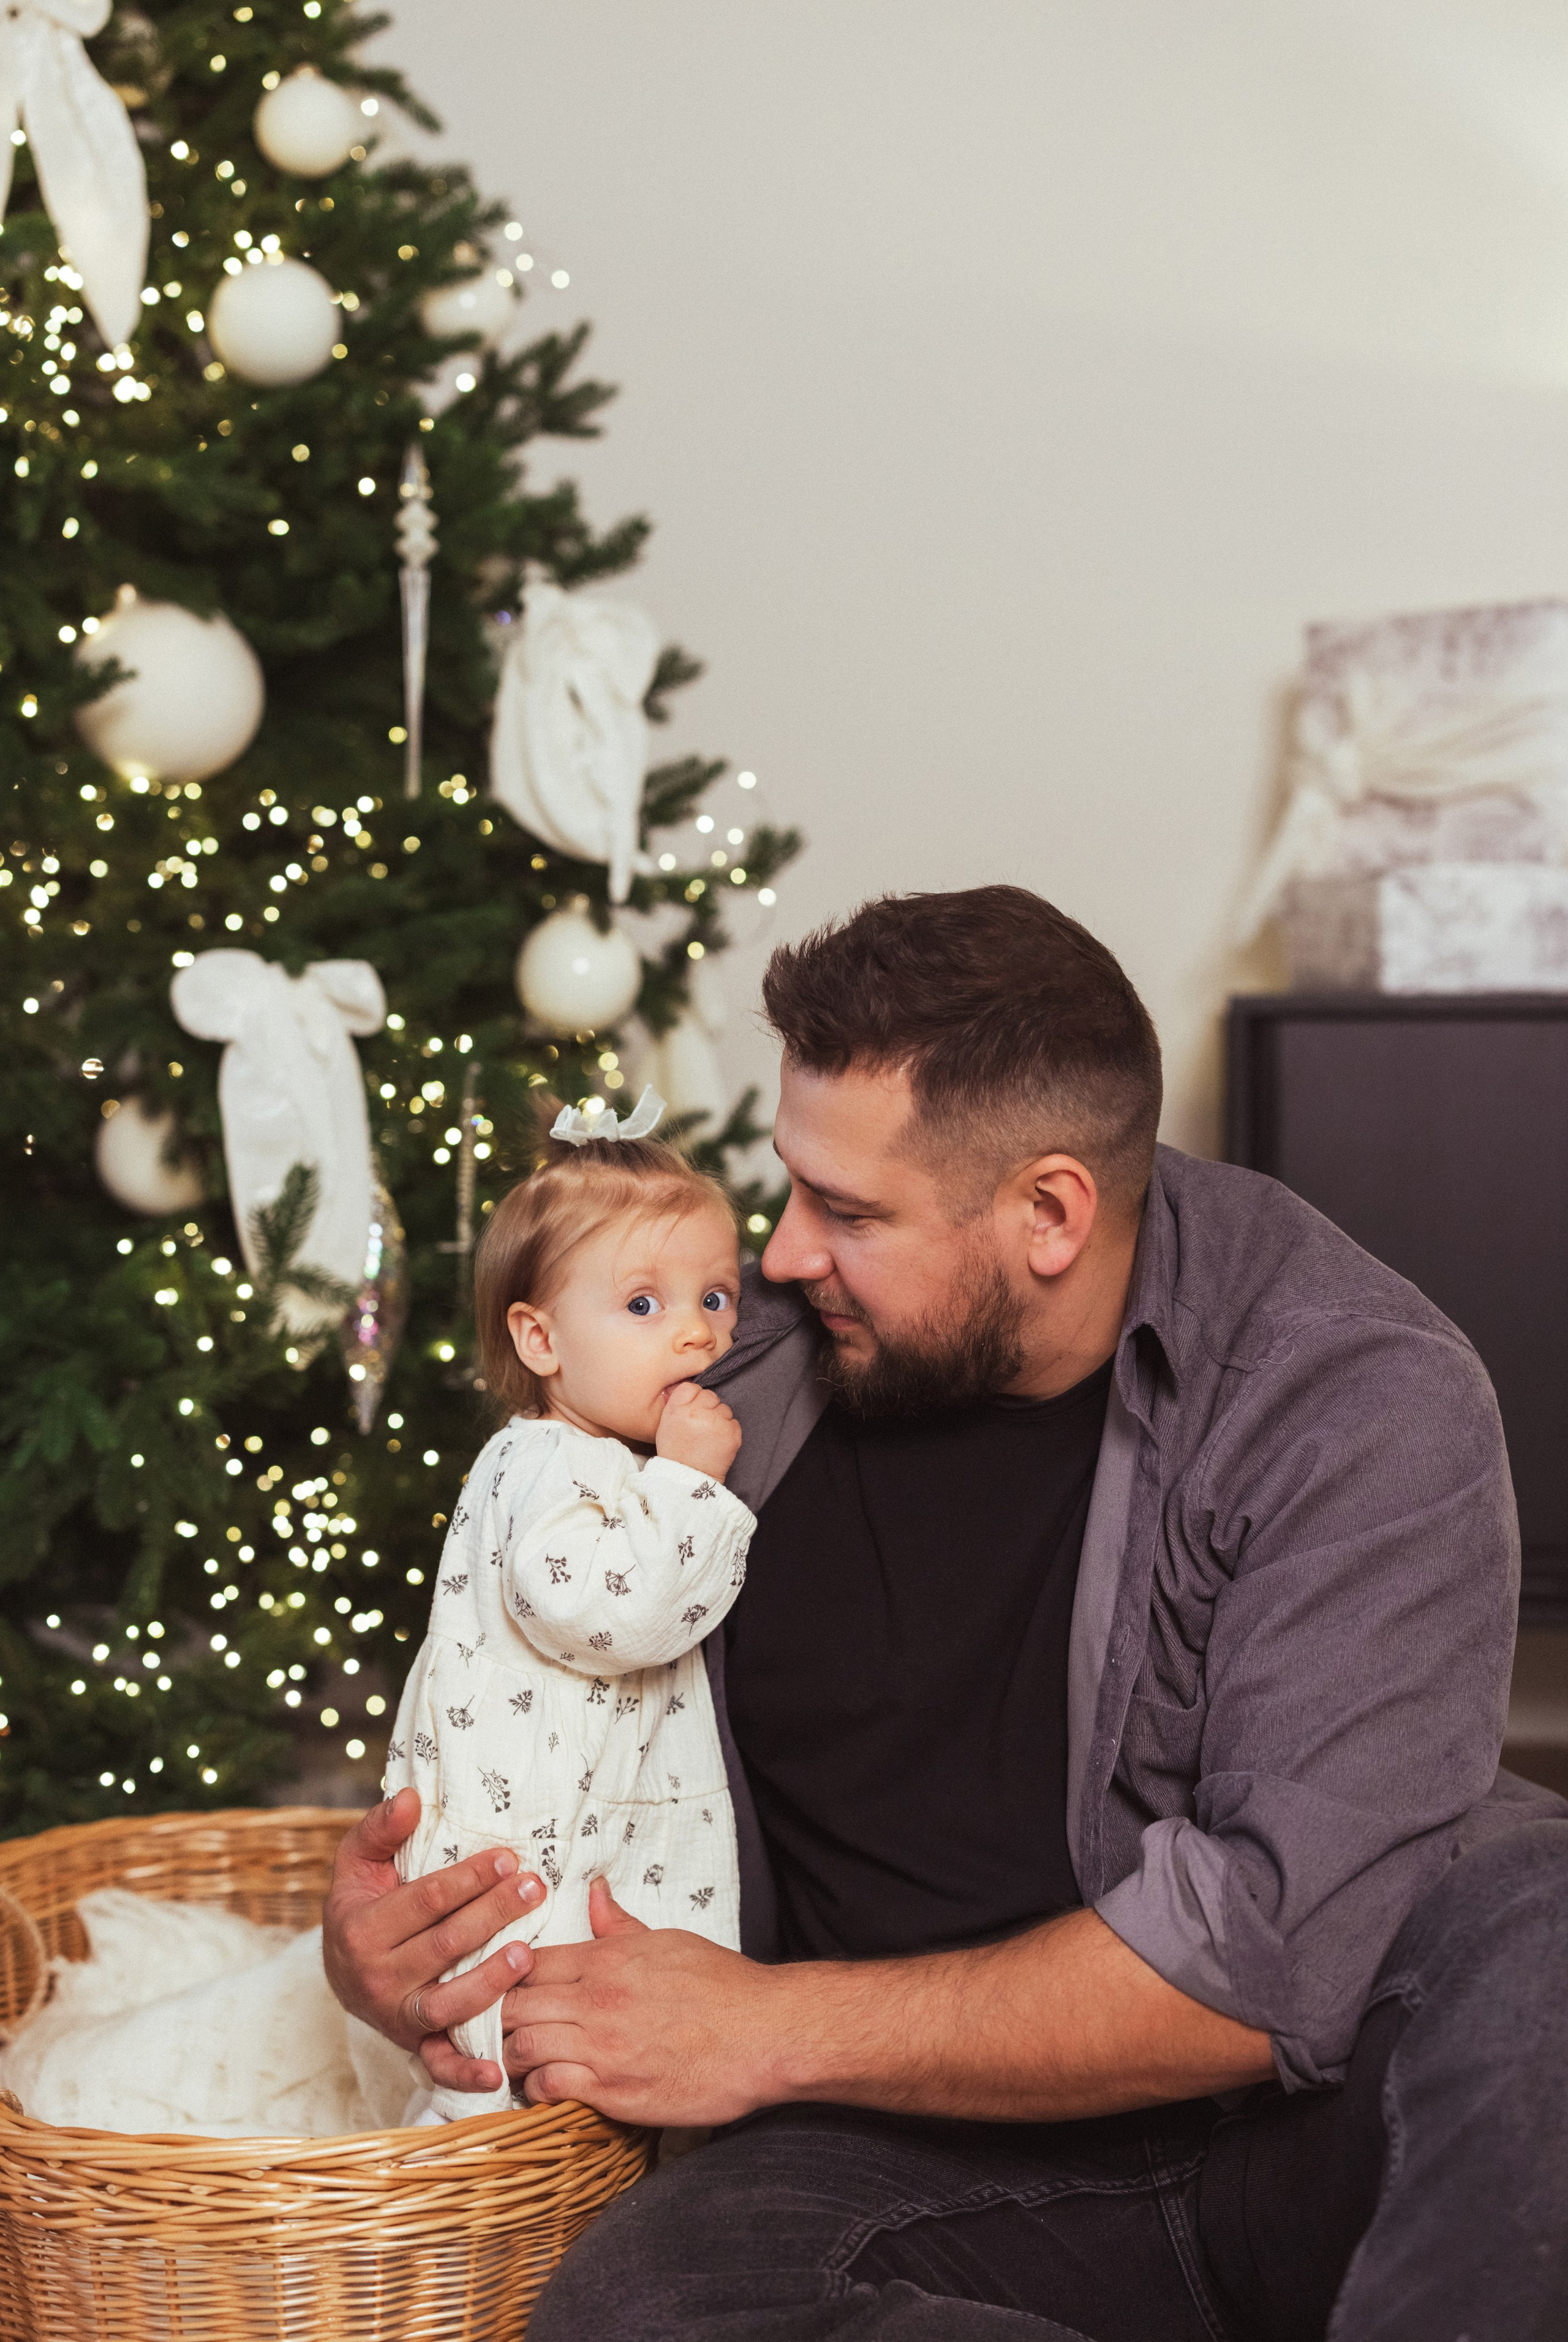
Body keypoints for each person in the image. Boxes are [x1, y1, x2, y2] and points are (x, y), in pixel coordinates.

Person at [324, 888, 1568, 2339]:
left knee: (1537, 1923)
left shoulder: (1351, 1392)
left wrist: (765, 2025)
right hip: (886, 2144)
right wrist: (385, 1951)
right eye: (791, 1183)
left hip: (1297, 2122)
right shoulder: (724, 1385)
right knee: (637, 2308)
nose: (775, 1256)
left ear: (1047, 1211)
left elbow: (1265, 1962)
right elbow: (533, 1668)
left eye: (845, 1211)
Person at [382, 1094, 753, 2121]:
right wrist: (690, 1485)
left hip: (583, 1812)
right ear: (540, 1339)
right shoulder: (544, 1461)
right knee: (506, 2067)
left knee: (604, 2062)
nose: (695, 1333)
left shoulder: (593, 1454)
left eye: (716, 1298)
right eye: (644, 1305)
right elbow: (600, 1610)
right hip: (527, 1836)